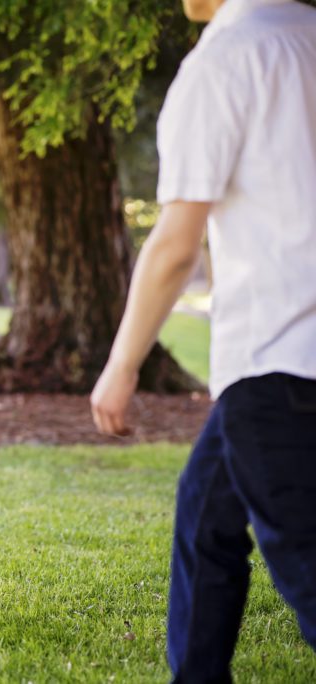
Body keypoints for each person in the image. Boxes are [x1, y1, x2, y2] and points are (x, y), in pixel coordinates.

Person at [90, 0, 316, 679]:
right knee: (204, 515)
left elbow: (175, 245)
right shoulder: (306, 35)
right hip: (283, 367)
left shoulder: (224, 60)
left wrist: (122, 363)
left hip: (277, 366)